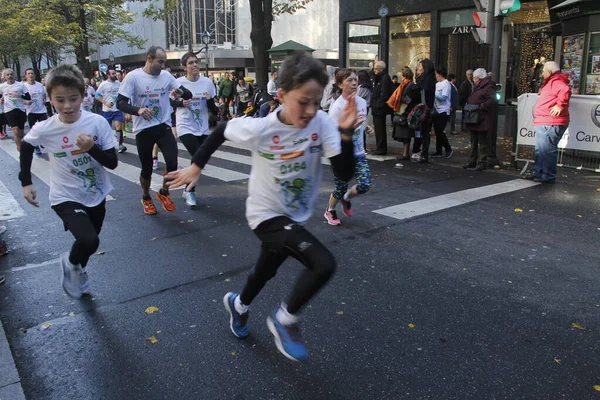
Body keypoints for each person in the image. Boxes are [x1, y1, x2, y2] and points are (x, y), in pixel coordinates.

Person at [165, 52, 357, 362]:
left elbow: (343, 173)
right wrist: (196, 167)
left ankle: (239, 306)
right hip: (265, 215)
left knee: (264, 271)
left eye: (316, 102)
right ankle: (285, 320)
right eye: (302, 101)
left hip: (293, 217)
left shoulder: (321, 121)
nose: (310, 111)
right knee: (323, 263)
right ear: (281, 95)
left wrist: (346, 133)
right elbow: (222, 130)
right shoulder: (262, 128)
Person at [19, 64, 118, 298]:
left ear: (83, 96)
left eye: (73, 98)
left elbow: (112, 162)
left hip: (96, 194)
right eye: (60, 100)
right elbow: (26, 145)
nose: (67, 106)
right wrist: (26, 181)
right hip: (64, 196)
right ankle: (72, 263)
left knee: (91, 243)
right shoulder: (45, 128)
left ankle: (78, 267)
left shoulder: (97, 123)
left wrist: (91, 148)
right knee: (89, 239)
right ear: (50, 99)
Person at [116, 46, 192, 215]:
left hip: (163, 125)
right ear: (149, 59)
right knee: (147, 169)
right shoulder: (133, 77)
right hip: (143, 128)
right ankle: (146, 197)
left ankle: (164, 193)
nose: (163, 66)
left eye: (164, 62)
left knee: (172, 164)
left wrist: (183, 92)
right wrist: (138, 110)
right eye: (160, 62)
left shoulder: (165, 76)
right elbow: (120, 103)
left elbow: (187, 94)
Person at [324, 68, 373, 226]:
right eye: (349, 80)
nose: (354, 82)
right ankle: (330, 210)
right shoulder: (337, 107)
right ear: (340, 84)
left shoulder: (362, 102)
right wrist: (351, 127)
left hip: (358, 152)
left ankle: (346, 199)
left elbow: (362, 119)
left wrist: (367, 127)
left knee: (365, 184)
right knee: (340, 187)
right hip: (341, 154)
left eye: (355, 79)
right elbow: (332, 134)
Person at [173, 52, 217, 207]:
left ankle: (187, 188)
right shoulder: (178, 83)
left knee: (199, 159)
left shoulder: (207, 83)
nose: (194, 65)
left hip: (202, 127)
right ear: (184, 67)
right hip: (184, 125)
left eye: (196, 62)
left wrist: (209, 100)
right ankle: (190, 191)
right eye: (191, 63)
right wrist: (180, 104)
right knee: (198, 155)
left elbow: (214, 109)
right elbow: (169, 103)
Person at [524, 61, 571, 183]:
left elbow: (565, 90)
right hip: (547, 120)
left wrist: (560, 105)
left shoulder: (555, 81)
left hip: (550, 121)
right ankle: (539, 172)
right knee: (542, 149)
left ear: (549, 72)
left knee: (547, 150)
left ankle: (547, 175)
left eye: (544, 71)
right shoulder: (553, 81)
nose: (542, 73)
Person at [463, 68, 497, 171]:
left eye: (474, 77)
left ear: (479, 77)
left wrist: (481, 106)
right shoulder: (480, 86)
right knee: (474, 141)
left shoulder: (488, 86)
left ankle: (481, 162)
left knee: (482, 141)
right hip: (475, 116)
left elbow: (491, 100)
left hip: (481, 117)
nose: (473, 79)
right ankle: (473, 160)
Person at [388, 66, 420, 162]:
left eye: (402, 75)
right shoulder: (405, 85)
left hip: (406, 112)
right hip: (404, 112)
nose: (401, 77)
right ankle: (405, 153)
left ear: (405, 75)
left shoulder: (409, 86)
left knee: (406, 135)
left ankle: (406, 153)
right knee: (404, 134)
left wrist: (403, 100)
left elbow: (412, 99)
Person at [96, 67, 126, 153]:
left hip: (117, 109)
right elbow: (97, 96)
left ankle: (120, 145)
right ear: (108, 75)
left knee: (118, 127)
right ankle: (106, 145)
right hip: (107, 110)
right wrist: (105, 103)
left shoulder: (119, 84)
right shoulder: (104, 84)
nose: (115, 75)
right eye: (113, 74)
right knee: (107, 129)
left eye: (115, 73)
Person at [0, 68, 31, 151]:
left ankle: (22, 140)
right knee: (15, 130)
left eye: (11, 74)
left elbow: (28, 97)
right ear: (5, 77)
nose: (10, 76)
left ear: (14, 75)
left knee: (20, 132)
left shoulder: (20, 85)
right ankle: (20, 149)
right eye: (8, 75)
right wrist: (1, 99)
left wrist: (20, 96)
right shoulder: (2, 86)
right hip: (9, 110)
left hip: (20, 109)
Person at [414, 58, 436, 163]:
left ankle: (424, 153)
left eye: (420, 66)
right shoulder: (425, 78)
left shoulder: (428, 78)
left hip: (426, 108)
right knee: (422, 131)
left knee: (425, 131)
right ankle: (422, 151)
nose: (419, 68)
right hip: (424, 107)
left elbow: (424, 89)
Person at [23, 68, 49, 156]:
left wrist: (44, 100)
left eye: (32, 73)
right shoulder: (24, 86)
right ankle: (37, 146)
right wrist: (26, 102)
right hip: (31, 111)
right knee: (34, 130)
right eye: (29, 74)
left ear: (34, 75)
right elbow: (20, 99)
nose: (31, 75)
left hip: (41, 110)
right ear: (26, 76)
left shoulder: (40, 85)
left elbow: (44, 94)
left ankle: (43, 143)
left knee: (44, 129)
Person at [429, 66, 453, 159]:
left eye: (436, 74)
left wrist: (434, 94)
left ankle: (448, 149)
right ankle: (438, 151)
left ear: (439, 75)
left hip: (443, 110)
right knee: (437, 131)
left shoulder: (446, 84)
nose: (435, 76)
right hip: (436, 109)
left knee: (440, 131)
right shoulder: (437, 84)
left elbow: (444, 97)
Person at [371, 61, 393, 155]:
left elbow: (384, 93)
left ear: (381, 69)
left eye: (376, 68)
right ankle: (379, 147)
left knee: (380, 129)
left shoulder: (384, 78)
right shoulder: (380, 78)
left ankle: (381, 148)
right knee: (378, 129)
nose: (374, 70)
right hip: (377, 107)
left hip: (380, 108)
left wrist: (378, 104)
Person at [357, 70, 373, 152]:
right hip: (364, 107)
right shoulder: (365, 87)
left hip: (362, 108)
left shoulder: (363, 88)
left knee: (361, 126)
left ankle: (362, 146)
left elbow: (357, 97)